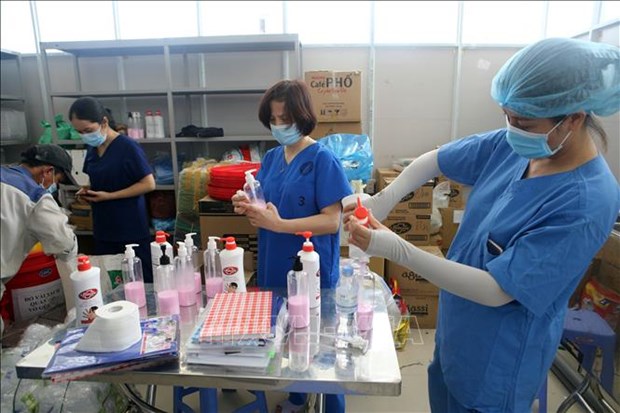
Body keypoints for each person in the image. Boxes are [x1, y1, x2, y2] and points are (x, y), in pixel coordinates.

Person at [345, 37, 620, 412]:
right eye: (506, 115)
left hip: (497, 365)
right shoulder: (516, 145)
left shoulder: (585, 201)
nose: (511, 127)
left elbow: (497, 291)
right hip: (457, 338)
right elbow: (436, 160)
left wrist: (396, 248)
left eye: (522, 120)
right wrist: (383, 200)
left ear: (574, 117)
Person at [232, 79, 352, 413]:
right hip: (273, 262)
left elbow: (331, 220)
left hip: (310, 267)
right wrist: (246, 202)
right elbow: (266, 201)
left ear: (303, 116)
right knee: (286, 336)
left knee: (318, 341)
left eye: (286, 118)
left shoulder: (323, 159)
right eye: (273, 119)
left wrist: (282, 225)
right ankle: (298, 396)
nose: (279, 125)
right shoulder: (271, 157)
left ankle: (332, 406)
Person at [69, 97, 156, 282]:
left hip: (130, 227)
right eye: (79, 132)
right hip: (103, 228)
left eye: (88, 130)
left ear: (104, 122)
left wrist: (110, 196)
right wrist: (87, 190)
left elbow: (148, 184)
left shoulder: (127, 147)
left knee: (140, 281)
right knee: (111, 282)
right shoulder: (93, 148)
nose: (84, 135)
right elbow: (100, 180)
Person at [1, 144, 79, 331]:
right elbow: (63, 243)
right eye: (57, 179)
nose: (55, 185)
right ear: (48, 171)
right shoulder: (34, 195)